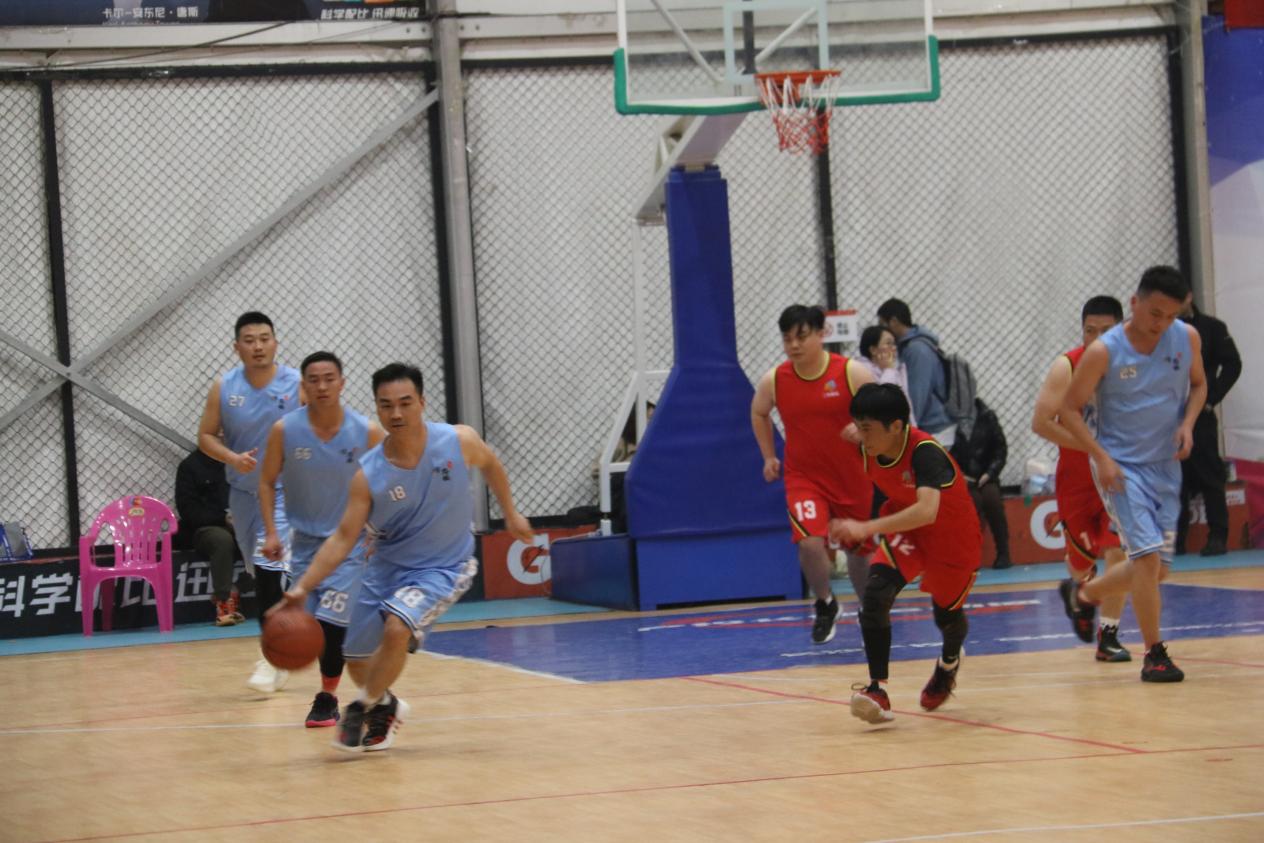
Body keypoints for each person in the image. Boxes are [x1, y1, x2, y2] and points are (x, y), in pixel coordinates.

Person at [272, 363, 533, 753]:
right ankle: (387, 706)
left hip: (445, 567)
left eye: (405, 403)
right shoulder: (368, 475)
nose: (396, 413)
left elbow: (491, 464)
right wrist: (302, 587)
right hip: (385, 569)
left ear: (422, 402)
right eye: (386, 405)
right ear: (376, 408)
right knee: (356, 658)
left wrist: (510, 513)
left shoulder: (458, 441)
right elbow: (342, 538)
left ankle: (359, 709)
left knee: (397, 628)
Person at [1058, 266, 1207, 683]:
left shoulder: (1187, 338)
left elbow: (1199, 385)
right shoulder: (1105, 351)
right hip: (1120, 466)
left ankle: (1083, 594)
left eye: (1171, 316)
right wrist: (1100, 457)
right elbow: (1068, 409)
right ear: (1135, 303)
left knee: (1158, 570)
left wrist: (1188, 424)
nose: (1161, 323)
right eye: (1155, 313)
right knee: (1145, 558)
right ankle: (1155, 654)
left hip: (1166, 465)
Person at [830, 383, 981, 724]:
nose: (861, 434)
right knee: (875, 597)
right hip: (907, 529)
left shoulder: (926, 453)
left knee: (947, 617)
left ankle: (948, 664)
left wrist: (866, 527)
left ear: (896, 426)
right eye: (858, 425)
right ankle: (877, 690)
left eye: (867, 428)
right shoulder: (869, 444)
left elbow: (927, 511)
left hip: (952, 539)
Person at [257, 352, 385, 727]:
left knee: (331, 625)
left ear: (342, 383)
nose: (322, 386)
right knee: (305, 621)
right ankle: (370, 685)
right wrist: (271, 531)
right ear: (303, 386)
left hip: (350, 544)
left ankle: (327, 697)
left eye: (329, 378)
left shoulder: (366, 431)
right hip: (305, 543)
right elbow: (266, 481)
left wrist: (380, 531)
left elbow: (387, 482)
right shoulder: (285, 430)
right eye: (314, 380)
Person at [751, 305, 875, 645]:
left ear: (822, 334)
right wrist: (768, 456)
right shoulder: (775, 380)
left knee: (859, 553)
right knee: (808, 542)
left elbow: (886, 410)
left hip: (852, 477)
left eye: (801, 337)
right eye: (787, 338)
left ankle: (869, 610)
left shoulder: (851, 373)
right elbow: (759, 412)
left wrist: (864, 429)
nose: (794, 345)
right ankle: (825, 603)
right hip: (803, 478)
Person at [197, 311, 302, 693]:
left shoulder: (297, 384)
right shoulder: (224, 387)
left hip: (287, 493)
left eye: (264, 338)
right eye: (249, 340)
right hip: (242, 494)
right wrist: (232, 457)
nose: (258, 346)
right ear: (237, 347)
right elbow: (206, 436)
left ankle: (270, 657)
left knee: (268, 565)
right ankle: (284, 645)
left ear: (275, 342)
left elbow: (323, 427)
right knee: (261, 572)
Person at [1031, 295, 1133, 662]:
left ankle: (1109, 636)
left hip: (1117, 478)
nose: (1097, 339)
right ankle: (1078, 592)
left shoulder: (1134, 367)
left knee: (1119, 550)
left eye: (1106, 331)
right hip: (1077, 479)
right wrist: (1092, 447)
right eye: (1090, 331)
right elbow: (1041, 422)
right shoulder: (1067, 366)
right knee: (1080, 563)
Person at [1176, 296, 1242, 557]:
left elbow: (1233, 364)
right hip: (1168, 415)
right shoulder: (1160, 330)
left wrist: (1211, 398)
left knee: (1210, 474)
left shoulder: (1212, 328)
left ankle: (1217, 535)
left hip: (1200, 413)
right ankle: (1175, 540)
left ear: (1189, 297)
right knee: (1174, 477)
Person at [174, 448, 244, 626]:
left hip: (240, 522)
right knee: (221, 540)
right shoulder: (190, 466)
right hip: (204, 528)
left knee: (265, 537)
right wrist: (223, 518)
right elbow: (188, 510)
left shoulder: (237, 461)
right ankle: (224, 600)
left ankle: (274, 597)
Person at [877, 299, 955, 446]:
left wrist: (906, 432)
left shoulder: (916, 350)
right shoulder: (912, 347)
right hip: (933, 427)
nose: (882, 331)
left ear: (894, 321)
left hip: (934, 428)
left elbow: (917, 394)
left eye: (883, 325)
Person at [950, 397, 1012, 569]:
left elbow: (1000, 450)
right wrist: (959, 476)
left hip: (986, 476)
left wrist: (990, 473)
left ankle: (1003, 553)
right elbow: (945, 455)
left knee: (993, 500)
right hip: (961, 479)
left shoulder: (987, 417)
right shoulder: (946, 421)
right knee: (972, 503)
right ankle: (970, 554)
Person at [856, 325, 917, 427]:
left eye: (894, 343)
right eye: (888, 343)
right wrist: (888, 370)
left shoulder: (895, 368)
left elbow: (907, 403)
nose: (894, 348)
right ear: (873, 350)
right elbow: (883, 400)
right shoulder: (862, 371)